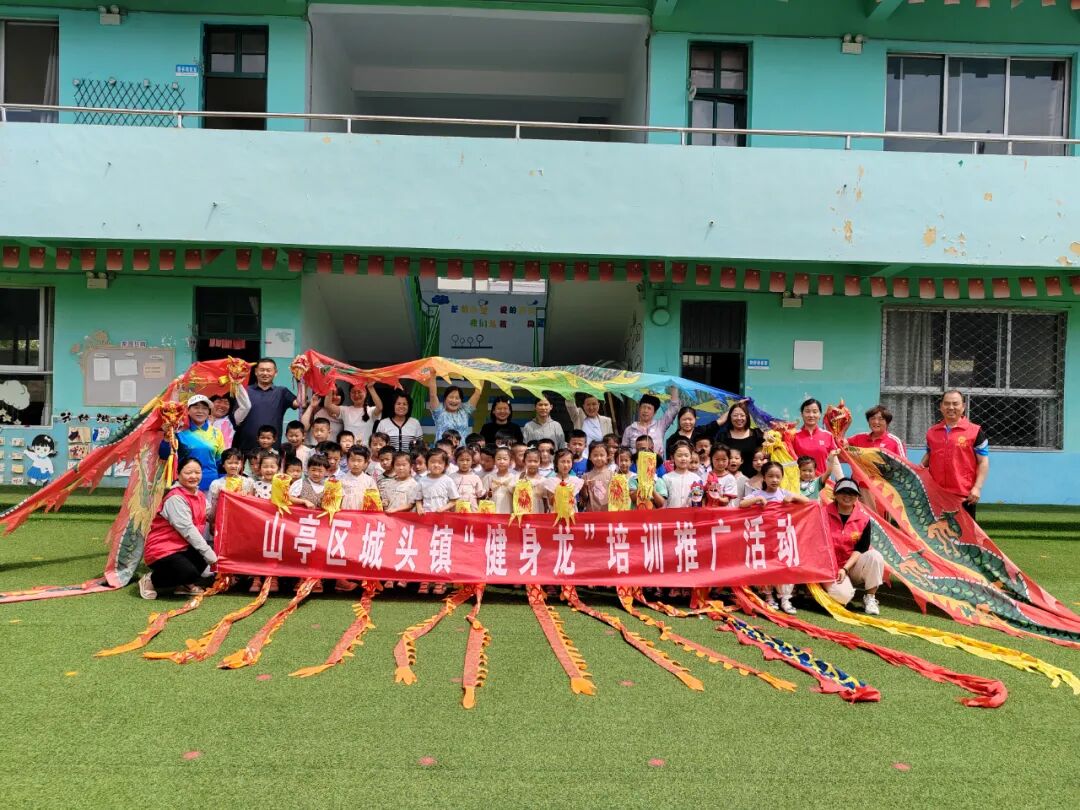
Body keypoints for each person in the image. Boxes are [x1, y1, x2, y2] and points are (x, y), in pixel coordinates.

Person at [138, 456, 217, 600]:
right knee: (191, 572)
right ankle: (151, 580)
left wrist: (220, 498)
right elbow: (187, 530)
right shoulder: (175, 498)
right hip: (163, 549)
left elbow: (210, 515)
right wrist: (209, 554)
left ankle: (183, 584)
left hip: (184, 548)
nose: (193, 476)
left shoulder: (199, 495)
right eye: (188, 473)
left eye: (197, 472)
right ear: (178, 474)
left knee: (202, 560)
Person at [740, 461, 808, 615]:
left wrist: (792, 498)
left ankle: (785, 598)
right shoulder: (758, 494)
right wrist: (756, 500)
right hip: (763, 539)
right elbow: (742, 504)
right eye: (770, 476)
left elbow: (807, 502)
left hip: (781, 539)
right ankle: (768, 596)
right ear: (764, 477)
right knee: (765, 566)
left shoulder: (784, 493)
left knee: (784, 566)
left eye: (778, 476)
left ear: (782, 477)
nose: (774, 480)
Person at [921, 390, 989, 517]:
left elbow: (983, 462)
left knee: (964, 530)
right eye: (947, 404)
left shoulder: (975, 431)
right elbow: (929, 456)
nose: (951, 407)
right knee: (935, 529)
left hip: (964, 495)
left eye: (955, 403)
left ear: (963, 406)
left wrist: (977, 488)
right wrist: (916, 470)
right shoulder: (932, 432)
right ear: (941, 407)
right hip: (935, 494)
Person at [823, 478, 885, 615]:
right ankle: (823, 588)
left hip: (850, 566)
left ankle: (870, 598)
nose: (847, 496)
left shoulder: (864, 519)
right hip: (829, 567)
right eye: (843, 492)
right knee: (843, 597)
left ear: (857, 496)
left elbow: (861, 549)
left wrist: (845, 569)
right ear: (835, 494)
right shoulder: (822, 513)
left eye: (852, 493)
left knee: (875, 556)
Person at [159, 394, 225, 492]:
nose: (200, 411)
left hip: (211, 485)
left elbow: (220, 461)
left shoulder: (216, 432)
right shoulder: (179, 432)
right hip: (186, 483)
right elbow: (164, 455)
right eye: (196, 407)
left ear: (209, 412)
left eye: (204, 408)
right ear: (188, 411)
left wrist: (223, 482)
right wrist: (167, 436)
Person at [233, 358, 297, 453]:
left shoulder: (281, 392)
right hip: (247, 448)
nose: (265, 373)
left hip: (272, 451)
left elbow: (299, 404)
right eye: (262, 370)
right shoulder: (245, 391)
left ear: (275, 373)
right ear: (256, 372)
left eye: (268, 370)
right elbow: (236, 418)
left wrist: (300, 380)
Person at [708, 400, 765, 478]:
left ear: (747, 417)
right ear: (730, 417)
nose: (739, 418)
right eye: (735, 415)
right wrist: (735, 404)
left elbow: (767, 455)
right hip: (728, 479)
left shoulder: (757, 434)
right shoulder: (723, 437)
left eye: (742, 415)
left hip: (755, 479)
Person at [621, 388, 680, 459]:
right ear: (639, 409)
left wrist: (674, 387)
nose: (645, 411)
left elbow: (674, 408)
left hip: (656, 464)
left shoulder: (660, 426)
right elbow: (623, 451)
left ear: (655, 412)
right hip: (635, 465)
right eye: (643, 407)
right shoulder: (630, 429)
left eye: (649, 408)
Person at [324, 383, 384, 448]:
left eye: (359, 392)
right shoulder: (345, 410)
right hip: (348, 449)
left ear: (365, 393)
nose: (356, 395)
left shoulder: (371, 411)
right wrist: (330, 386)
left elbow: (380, 407)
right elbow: (328, 405)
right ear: (350, 394)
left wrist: (370, 388)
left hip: (365, 450)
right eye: (353, 392)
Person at [424, 374, 481, 442]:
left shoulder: (465, 411)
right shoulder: (439, 412)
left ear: (461, 401)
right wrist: (432, 375)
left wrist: (481, 374)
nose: (454, 400)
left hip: (462, 448)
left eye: (457, 398)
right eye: (451, 397)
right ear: (445, 399)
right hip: (443, 448)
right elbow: (433, 395)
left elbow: (477, 393)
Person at [790, 398, 839, 475]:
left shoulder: (828, 435)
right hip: (800, 481)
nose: (811, 415)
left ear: (820, 414)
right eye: (807, 411)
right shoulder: (793, 436)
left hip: (822, 481)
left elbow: (835, 463)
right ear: (802, 414)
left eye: (815, 412)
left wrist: (841, 480)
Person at [206, 447, 253, 522]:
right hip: (223, 520)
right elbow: (210, 510)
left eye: (236, 463)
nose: (233, 466)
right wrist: (217, 497)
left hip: (242, 521)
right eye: (230, 463)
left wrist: (247, 497)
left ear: (241, 464)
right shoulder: (216, 484)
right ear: (223, 464)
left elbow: (252, 506)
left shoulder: (248, 482)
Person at [662, 441, 704, 509]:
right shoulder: (666, 478)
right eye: (679, 455)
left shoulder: (696, 479)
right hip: (671, 514)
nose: (683, 459)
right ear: (672, 458)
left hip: (690, 514)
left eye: (686, 455)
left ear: (690, 458)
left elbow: (698, 501)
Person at [485, 446, 519, 514]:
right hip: (492, 511)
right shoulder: (489, 477)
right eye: (498, 459)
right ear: (494, 461)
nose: (501, 462)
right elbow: (485, 496)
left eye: (505, 459)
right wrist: (489, 492)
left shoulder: (515, 477)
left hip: (509, 511)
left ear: (510, 461)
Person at [580, 442, 613, 512]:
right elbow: (584, 499)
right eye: (595, 455)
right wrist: (584, 487)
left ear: (607, 456)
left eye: (602, 455)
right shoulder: (585, 477)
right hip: (592, 514)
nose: (598, 458)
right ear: (590, 457)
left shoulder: (612, 475)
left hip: (609, 513)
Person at [451, 446, 485, 511]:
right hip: (455, 511)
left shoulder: (476, 478)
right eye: (461, 460)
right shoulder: (451, 477)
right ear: (456, 461)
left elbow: (479, 496)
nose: (465, 463)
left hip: (472, 511)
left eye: (468, 460)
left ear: (472, 461)